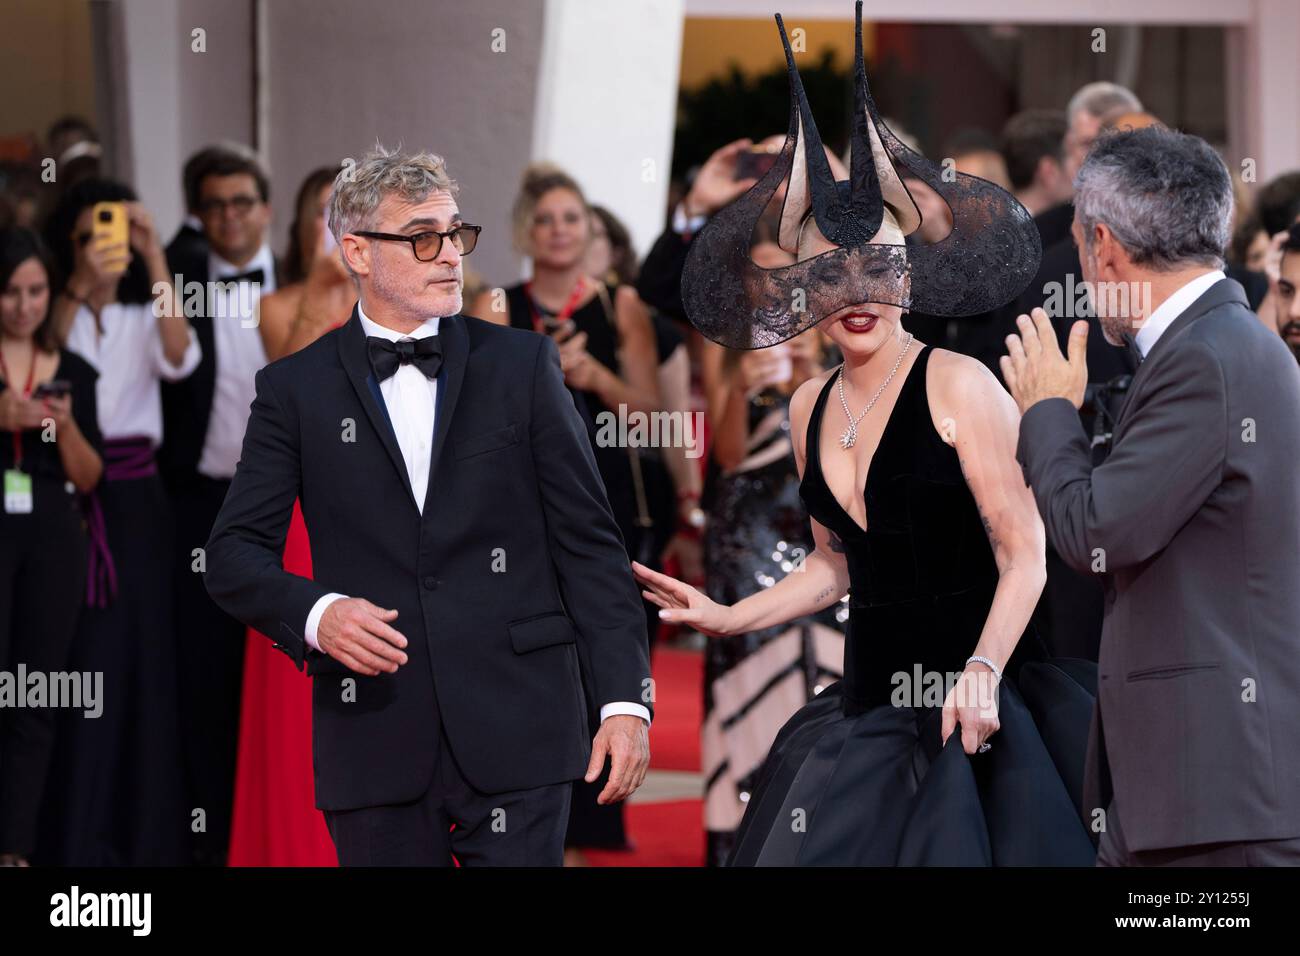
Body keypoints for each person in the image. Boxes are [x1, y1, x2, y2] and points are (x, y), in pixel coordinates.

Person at [636, 4, 1096, 866]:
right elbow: (834, 564)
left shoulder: (961, 383)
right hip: (870, 712)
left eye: (879, 267)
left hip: (986, 705)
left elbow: (1024, 551)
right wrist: (733, 618)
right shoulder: (808, 406)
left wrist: (985, 671)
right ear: (806, 287)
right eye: (832, 271)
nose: (857, 292)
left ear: (907, 275)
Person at [203, 145, 652, 867]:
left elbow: (590, 547)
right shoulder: (295, 390)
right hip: (373, 735)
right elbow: (230, 557)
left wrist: (625, 703)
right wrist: (320, 615)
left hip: (521, 722)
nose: (449, 256)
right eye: (421, 237)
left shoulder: (523, 367)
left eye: (456, 234)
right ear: (355, 250)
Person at [1005, 126, 1300, 865]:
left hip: (1214, 804)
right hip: (1193, 795)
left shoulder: (1207, 359)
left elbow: (1093, 532)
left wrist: (1047, 410)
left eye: (1078, 246)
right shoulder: (1217, 344)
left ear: (1103, 244)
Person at [471, 165, 660, 861]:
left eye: (571, 218)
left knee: (609, 664)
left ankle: (594, 828)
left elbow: (654, 421)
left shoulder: (622, 307)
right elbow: (473, 415)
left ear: (590, 228)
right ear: (526, 229)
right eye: (545, 218)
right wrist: (538, 373)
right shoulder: (496, 303)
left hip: (608, 504)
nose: (558, 231)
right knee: (545, 673)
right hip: (519, 519)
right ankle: (534, 826)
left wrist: (592, 378)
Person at [39, 178, 197, 866]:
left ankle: (149, 839)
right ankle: (76, 837)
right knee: (79, 665)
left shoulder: (142, 313)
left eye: (110, 234)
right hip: (67, 498)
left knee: (146, 664)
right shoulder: (53, 316)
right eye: (86, 236)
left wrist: (153, 255)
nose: (102, 248)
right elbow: (50, 359)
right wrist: (77, 283)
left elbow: (181, 355)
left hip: (138, 505)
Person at [698, 232, 845, 866]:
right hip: (748, 539)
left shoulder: (841, 339)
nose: (773, 286)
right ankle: (739, 844)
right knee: (749, 683)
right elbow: (726, 457)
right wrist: (739, 390)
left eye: (784, 273)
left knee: (825, 684)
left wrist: (814, 377)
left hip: (820, 537)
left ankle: (822, 840)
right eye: (759, 276)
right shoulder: (730, 349)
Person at [227, 165, 356, 867]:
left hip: (382, 513)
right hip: (302, 520)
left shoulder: (397, 307)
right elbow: (285, 390)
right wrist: (320, 283)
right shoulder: (281, 304)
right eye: (325, 213)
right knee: (295, 696)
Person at [159, 146, 280, 865]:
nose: (231, 217)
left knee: (276, 681)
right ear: (198, 217)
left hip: (283, 514)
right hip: (196, 508)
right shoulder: (172, 288)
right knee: (199, 678)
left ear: (264, 208)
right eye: (215, 205)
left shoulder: (301, 284)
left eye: (243, 202)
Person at [0, 227, 102, 867]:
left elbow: (92, 478)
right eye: (10, 292)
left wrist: (60, 429)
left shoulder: (74, 370)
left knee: (34, 696)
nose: (24, 305)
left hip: (52, 535)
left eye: (36, 290)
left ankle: (15, 853)